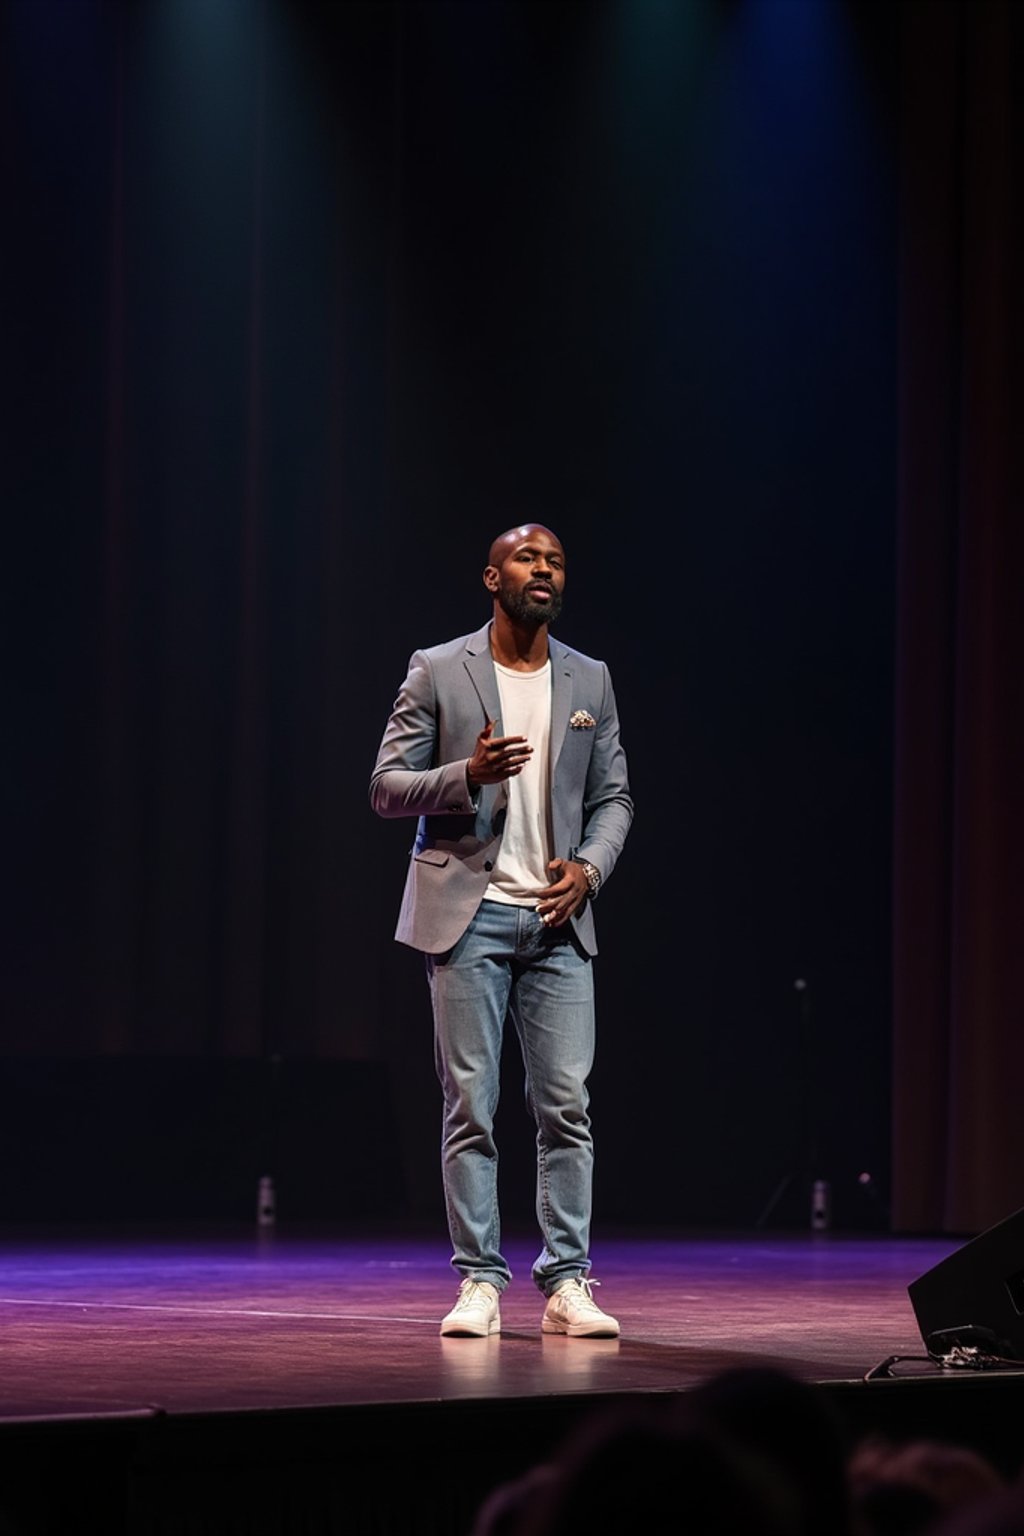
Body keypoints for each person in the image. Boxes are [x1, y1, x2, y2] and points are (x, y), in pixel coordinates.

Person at [370, 522, 632, 1338]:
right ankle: (480, 1280)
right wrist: (465, 776)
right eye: (527, 557)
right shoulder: (440, 669)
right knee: (471, 1108)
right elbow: (385, 787)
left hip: (557, 920)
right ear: (493, 577)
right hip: (469, 917)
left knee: (565, 1108)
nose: (543, 568)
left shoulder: (589, 677)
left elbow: (615, 799)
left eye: (555, 560)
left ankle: (567, 1283)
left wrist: (588, 869)